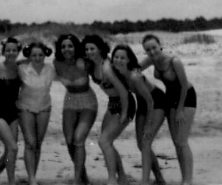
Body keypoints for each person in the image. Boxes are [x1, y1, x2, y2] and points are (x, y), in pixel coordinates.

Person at [140, 34, 197, 185]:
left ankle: (188, 180)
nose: (152, 52)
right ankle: (184, 178)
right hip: (169, 97)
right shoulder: (151, 59)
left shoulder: (174, 61)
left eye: (154, 48)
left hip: (186, 98)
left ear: (160, 46)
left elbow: (184, 85)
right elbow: (135, 68)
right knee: (176, 142)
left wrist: (179, 110)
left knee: (182, 141)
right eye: (148, 50)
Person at [81, 35, 136, 185]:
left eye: (92, 48)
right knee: (106, 142)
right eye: (86, 49)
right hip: (112, 103)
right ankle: (122, 177)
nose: (89, 51)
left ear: (100, 49)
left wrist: (125, 114)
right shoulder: (92, 65)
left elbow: (124, 92)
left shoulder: (107, 67)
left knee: (104, 141)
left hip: (125, 103)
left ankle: (112, 179)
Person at [111, 44, 166, 185]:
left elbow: (150, 101)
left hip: (156, 101)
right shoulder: (118, 73)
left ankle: (145, 180)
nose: (118, 60)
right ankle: (159, 179)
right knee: (141, 145)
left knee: (146, 141)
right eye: (116, 57)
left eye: (122, 57)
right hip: (142, 103)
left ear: (129, 60)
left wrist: (148, 125)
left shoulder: (135, 76)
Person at [53, 34, 98, 185]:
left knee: (79, 138)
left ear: (76, 47)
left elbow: (101, 66)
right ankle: (83, 177)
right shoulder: (57, 63)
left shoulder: (84, 63)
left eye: (70, 46)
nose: (67, 49)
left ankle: (77, 180)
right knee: (69, 141)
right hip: (70, 101)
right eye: (64, 46)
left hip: (88, 102)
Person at [17, 41, 56, 185]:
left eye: (40, 54)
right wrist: (23, 60)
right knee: (30, 143)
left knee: (38, 144)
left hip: (44, 108)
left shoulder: (51, 69)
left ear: (45, 55)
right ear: (29, 56)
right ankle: (32, 179)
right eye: (34, 55)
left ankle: (32, 175)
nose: (38, 58)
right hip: (25, 107)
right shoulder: (22, 68)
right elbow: (8, 67)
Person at [0, 37, 22, 185]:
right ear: (3, 51)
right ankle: (11, 181)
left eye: (14, 50)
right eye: (8, 50)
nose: (11, 53)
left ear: (18, 51)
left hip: (13, 112)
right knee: (12, 147)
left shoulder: (19, 69)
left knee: (10, 151)